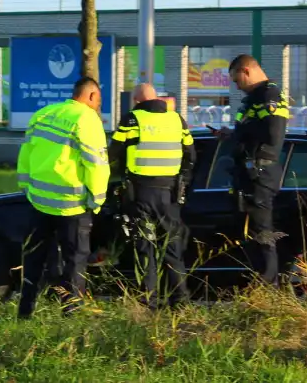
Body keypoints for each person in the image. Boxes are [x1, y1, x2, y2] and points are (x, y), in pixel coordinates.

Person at [15, 76, 110, 319]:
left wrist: (27, 187)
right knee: (74, 263)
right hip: (72, 206)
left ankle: (25, 312)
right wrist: (97, 200)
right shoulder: (87, 119)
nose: (99, 106)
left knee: (34, 258)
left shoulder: (44, 113)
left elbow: (26, 152)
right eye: (98, 101)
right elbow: (96, 165)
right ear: (90, 96)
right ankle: (71, 316)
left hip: (39, 202)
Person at [109, 83, 196, 309]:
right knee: (171, 248)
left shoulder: (132, 119)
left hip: (141, 194)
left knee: (145, 248)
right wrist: (181, 180)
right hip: (170, 195)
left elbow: (113, 152)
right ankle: (180, 302)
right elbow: (191, 154)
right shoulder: (177, 120)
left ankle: (149, 303)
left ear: (137, 101)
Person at [222, 54, 289, 285]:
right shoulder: (255, 98)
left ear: (246, 71)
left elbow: (273, 134)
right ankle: (259, 283)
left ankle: (268, 285)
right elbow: (252, 131)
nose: (236, 86)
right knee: (252, 233)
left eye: (236, 80)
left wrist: (242, 134)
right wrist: (231, 135)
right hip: (251, 174)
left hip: (261, 174)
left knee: (262, 232)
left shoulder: (268, 96)